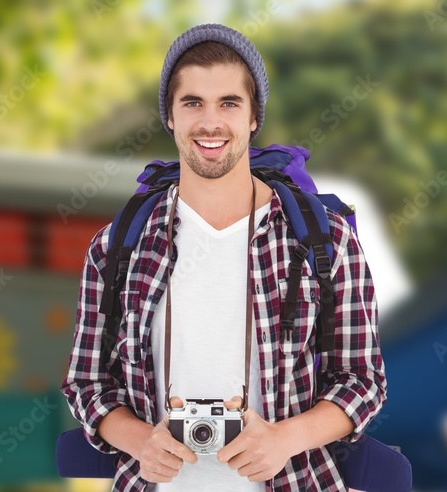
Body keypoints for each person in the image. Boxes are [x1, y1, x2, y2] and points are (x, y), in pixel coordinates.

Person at [61, 24, 386, 492]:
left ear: (254, 118)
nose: (210, 122)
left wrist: (284, 439)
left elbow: (363, 380)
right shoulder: (117, 247)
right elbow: (86, 382)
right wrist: (139, 441)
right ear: (170, 117)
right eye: (192, 102)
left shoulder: (325, 240)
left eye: (229, 103)